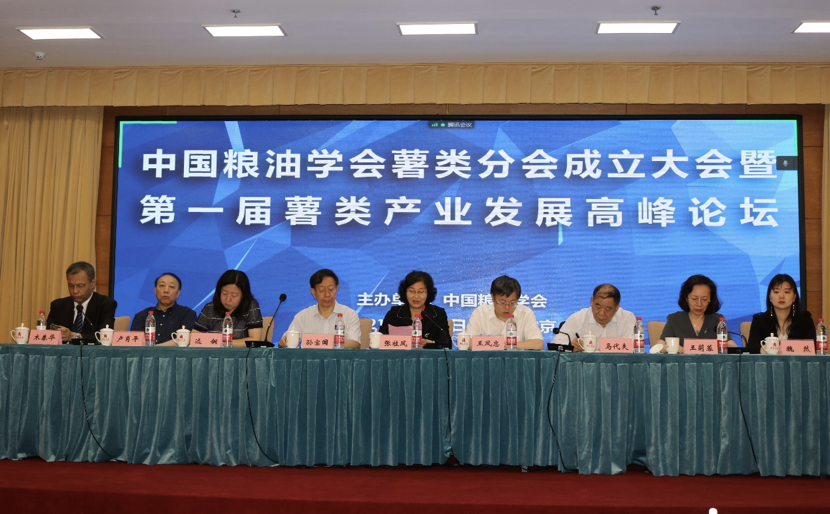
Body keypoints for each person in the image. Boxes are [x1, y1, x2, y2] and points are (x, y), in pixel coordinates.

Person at [279, 269, 361, 349]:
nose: (327, 294)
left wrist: (325, 342)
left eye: (331, 289)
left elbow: (355, 343)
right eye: (322, 290)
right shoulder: (303, 316)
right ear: (313, 292)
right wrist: (284, 342)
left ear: (337, 289)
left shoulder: (350, 314)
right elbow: (285, 341)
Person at [658, 274, 735, 353]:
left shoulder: (717, 321)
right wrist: (673, 347)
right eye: (694, 299)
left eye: (704, 299)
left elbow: (732, 346)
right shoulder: (675, 320)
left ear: (710, 299)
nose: (699, 304)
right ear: (686, 298)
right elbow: (658, 347)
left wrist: (728, 346)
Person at [467, 275, 544, 350]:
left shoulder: (525, 313)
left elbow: (538, 343)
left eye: (512, 303)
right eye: (502, 302)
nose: (507, 307)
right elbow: (468, 342)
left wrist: (509, 345)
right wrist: (498, 344)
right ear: (493, 298)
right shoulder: (480, 313)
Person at [46, 261, 117, 341]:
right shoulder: (58, 305)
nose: (75, 291)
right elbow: (47, 335)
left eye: (80, 286)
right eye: (71, 286)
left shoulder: (106, 304)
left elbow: (105, 337)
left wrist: (75, 336)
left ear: (92, 283)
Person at [553, 283, 636, 351]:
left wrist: (605, 348)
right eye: (598, 307)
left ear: (617, 307)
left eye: (607, 309)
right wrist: (570, 347)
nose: (601, 313)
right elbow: (556, 344)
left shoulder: (627, 318)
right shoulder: (578, 318)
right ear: (592, 301)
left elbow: (633, 345)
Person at [380, 270, 451, 349]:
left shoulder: (437, 314)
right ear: (405, 292)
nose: (416, 296)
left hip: (428, 356)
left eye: (421, 292)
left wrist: (429, 343)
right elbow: (381, 340)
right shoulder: (394, 313)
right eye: (412, 291)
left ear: (428, 293)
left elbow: (447, 343)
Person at [747, 274, 815, 354]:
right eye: (776, 292)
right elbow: (751, 347)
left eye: (787, 292)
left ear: (794, 297)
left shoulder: (805, 319)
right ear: (770, 297)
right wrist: (765, 349)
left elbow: (812, 347)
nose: (781, 296)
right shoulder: (759, 320)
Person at [192, 270, 263, 346]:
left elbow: (254, 339)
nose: (228, 299)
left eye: (234, 295)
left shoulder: (251, 306)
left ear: (243, 295)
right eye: (224, 293)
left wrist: (222, 343)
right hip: (213, 352)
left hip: (242, 353)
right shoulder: (210, 308)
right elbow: (194, 337)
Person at [131, 272, 197, 344]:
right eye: (162, 285)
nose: (166, 290)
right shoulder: (142, 316)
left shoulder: (188, 314)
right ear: (155, 291)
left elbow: (187, 340)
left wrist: (156, 348)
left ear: (178, 294)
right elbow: (135, 343)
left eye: (171, 287)